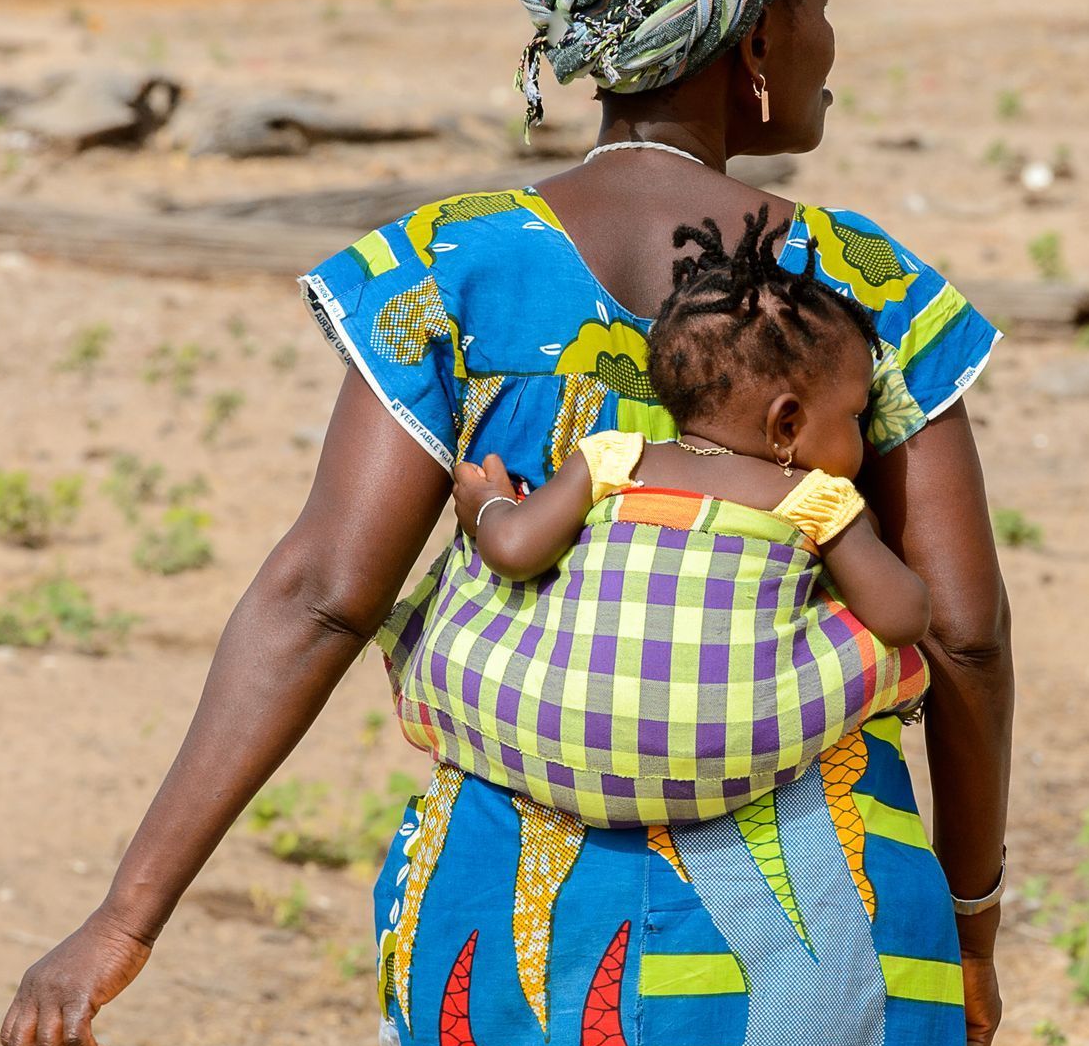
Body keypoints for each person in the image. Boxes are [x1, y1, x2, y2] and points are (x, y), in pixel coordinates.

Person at [1, 0, 1012, 1046]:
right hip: (831, 910)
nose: (831, 48)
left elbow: (322, 598)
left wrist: (124, 916)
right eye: (820, 8)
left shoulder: (456, 271)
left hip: (532, 939)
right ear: (748, 44)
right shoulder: (860, 291)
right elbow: (968, 632)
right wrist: (972, 919)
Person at [380, 202, 932, 827]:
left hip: (564, 734)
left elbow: (512, 549)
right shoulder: (814, 500)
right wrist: (862, 539)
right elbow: (904, 616)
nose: (860, 436)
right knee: (895, 661)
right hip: (727, 756)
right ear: (787, 424)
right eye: (854, 415)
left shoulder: (614, 457)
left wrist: (491, 505)